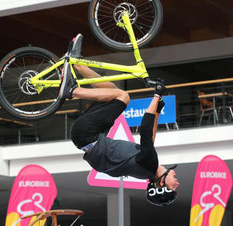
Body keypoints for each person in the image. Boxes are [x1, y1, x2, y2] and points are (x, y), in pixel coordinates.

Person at [59, 34, 179, 206]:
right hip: (83, 137)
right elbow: (149, 140)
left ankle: (72, 91)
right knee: (112, 91)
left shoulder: (150, 165)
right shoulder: (144, 168)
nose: (177, 184)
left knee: (123, 96)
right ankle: (76, 63)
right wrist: (158, 111)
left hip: (88, 134)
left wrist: (156, 95)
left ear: (161, 184)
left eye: (173, 188)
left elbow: (145, 131)